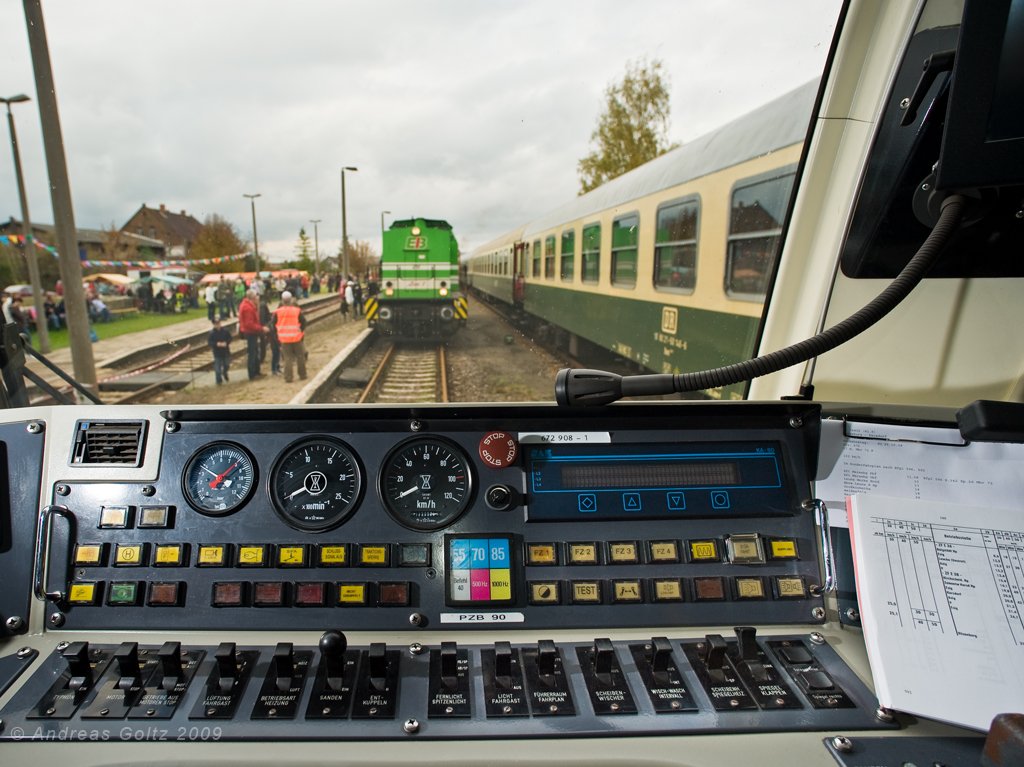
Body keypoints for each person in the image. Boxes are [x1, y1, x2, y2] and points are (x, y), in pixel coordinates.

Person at [273, 291, 307, 383]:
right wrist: (301, 331)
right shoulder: (296, 310)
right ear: (291, 299)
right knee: (300, 356)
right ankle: (302, 375)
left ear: (282, 300)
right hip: (296, 337)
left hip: (284, 338)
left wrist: (278, 334)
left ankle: (288, 377)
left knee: (288, 358)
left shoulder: (278, 312)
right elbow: (303, 322)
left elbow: (273, 324)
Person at [238, 289, 266, 379]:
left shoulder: (248, 305)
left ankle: (256, 371)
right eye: (256, 297)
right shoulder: (247, 308)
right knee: (252, 353)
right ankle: (252, 374)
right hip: (250, 333)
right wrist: (261, 328)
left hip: (252, 332)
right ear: (253, 298)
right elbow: (249, 324)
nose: (258, 298)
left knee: (255, 351)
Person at [259, 296, 281, 376]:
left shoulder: (260, 306)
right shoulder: (262, 306)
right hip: (270, 330)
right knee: (275, 349)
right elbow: (266, 318)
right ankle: (274, 368)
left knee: (275, 349)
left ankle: (275, 367)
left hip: (270, 329)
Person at [207, 318, 232, 385]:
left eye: (218, 323)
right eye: (216, 324)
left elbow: (230, 338)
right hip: (217, 352)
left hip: (225, 351)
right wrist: (216, 344)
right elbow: (209, 342)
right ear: (214, 324)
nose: (217, 325)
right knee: (217, 367)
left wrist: (226, 343)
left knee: (226, 364)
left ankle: (224, 372)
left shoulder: (225, 331)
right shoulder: (211, 333)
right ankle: (219, 380)